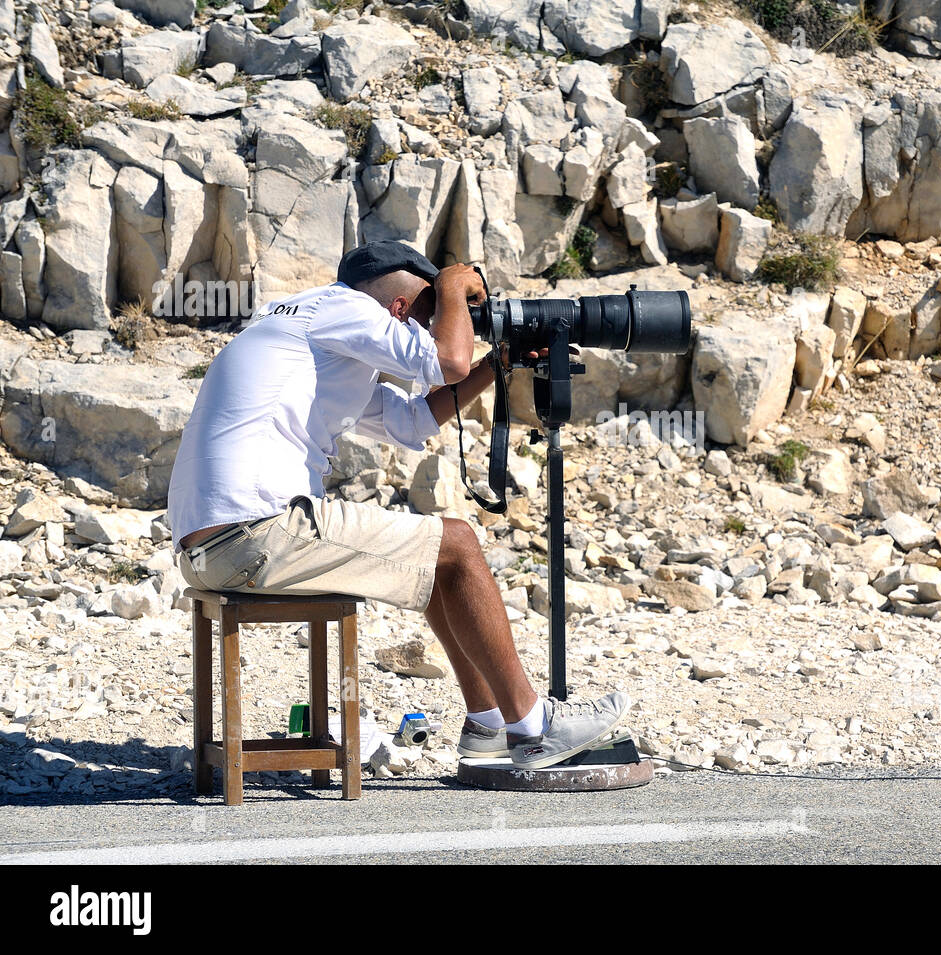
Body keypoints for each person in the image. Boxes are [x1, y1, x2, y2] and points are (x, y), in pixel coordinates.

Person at [167, 240, 629, 770]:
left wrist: (496, 364)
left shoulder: (303, 333)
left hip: (210, 547)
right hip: (256, 532)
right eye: (435, 314)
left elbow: (412, 421)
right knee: (457, 541)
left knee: (435, 559)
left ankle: (488, 724)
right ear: (401, 308)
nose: (442, 325)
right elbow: (447, 361)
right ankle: (534, 726)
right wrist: (455, 284)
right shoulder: (344, 308)